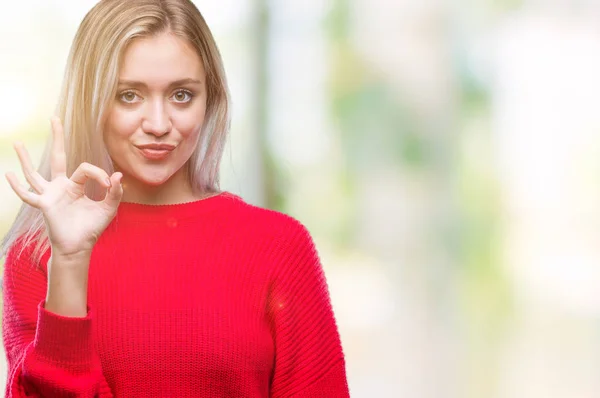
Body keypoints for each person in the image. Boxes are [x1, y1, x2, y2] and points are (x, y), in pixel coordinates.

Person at [0, 0, 350, 396]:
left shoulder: (278, 246)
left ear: (210, 99)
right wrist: (70, 261)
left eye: (181, 95)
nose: (159, 124)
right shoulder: (37, 257)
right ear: (91, 101)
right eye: (129, 95)